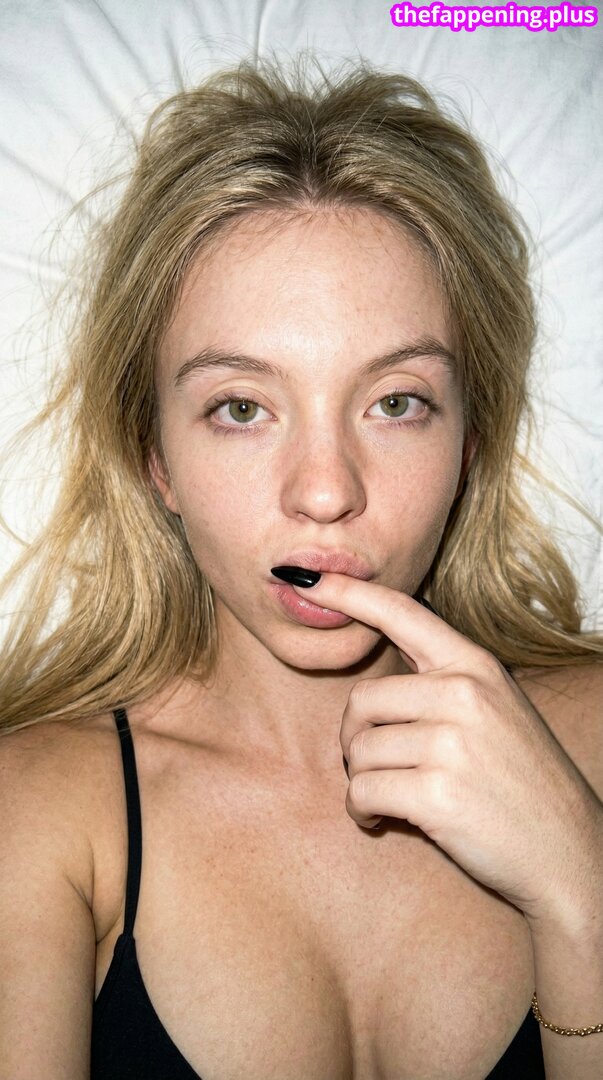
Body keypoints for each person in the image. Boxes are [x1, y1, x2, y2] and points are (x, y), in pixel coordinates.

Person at [0, 55, 601, 1080]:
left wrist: (580, 892)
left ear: (469, 440)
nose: (325, 492)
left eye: (396, 402)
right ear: (155, 459)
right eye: (241, 408)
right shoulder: (41, 812)